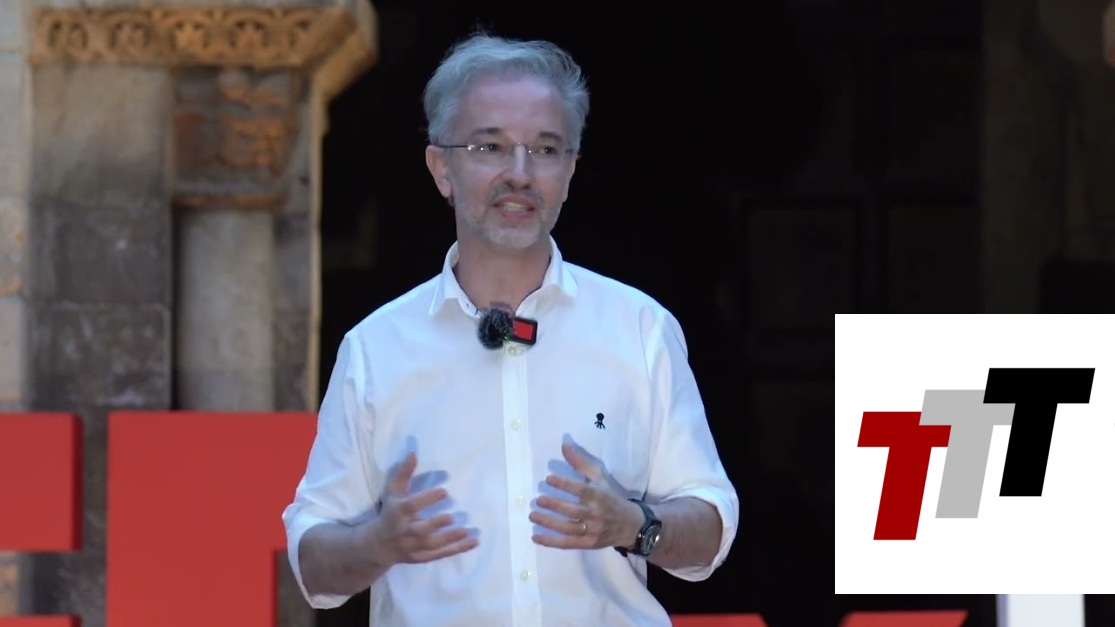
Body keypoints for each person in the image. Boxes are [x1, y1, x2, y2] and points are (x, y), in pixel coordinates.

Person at [281, 32, 739, 626]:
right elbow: (313, 566)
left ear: (569, 171)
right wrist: (378, 542)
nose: (519, 173)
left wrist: (634, 524)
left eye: (545, 149)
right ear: (442, 168)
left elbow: (710, 528)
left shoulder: (640, 328)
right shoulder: (376, 348)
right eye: (490, 146)